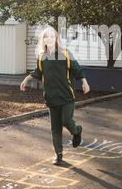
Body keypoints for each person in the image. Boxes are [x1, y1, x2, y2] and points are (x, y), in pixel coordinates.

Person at [20, 26, 90, 165]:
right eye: (47, 37)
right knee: (55, 128)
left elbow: (77, 69)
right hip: (51, 97)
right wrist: (26, 79)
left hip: (66, 96)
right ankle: (58, 154)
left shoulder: (65, 54)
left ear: (56, 38)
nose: (50, 39)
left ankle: (77, 131)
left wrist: (84, 82)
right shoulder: (41, 57)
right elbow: (38, 73)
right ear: (43, 40)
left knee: (66, 121)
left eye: (52, 36)